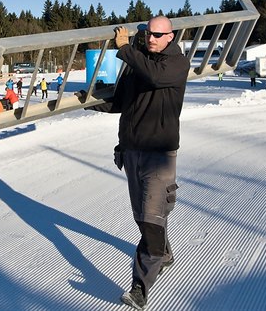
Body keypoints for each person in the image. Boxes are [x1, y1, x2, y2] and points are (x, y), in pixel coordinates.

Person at [85, 16, 189, 310]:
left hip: (159, 154)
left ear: (170, 36)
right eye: (148, 34)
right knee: (142, 216)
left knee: (150, 220)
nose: (152, 38)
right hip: (132, 152)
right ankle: (164, 253)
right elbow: (120, 103)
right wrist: (87, 100)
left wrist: (124, 48)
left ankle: (139, 289)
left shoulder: (176, 63)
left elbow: (155, 77)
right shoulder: (137, 63)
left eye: (158, 34)